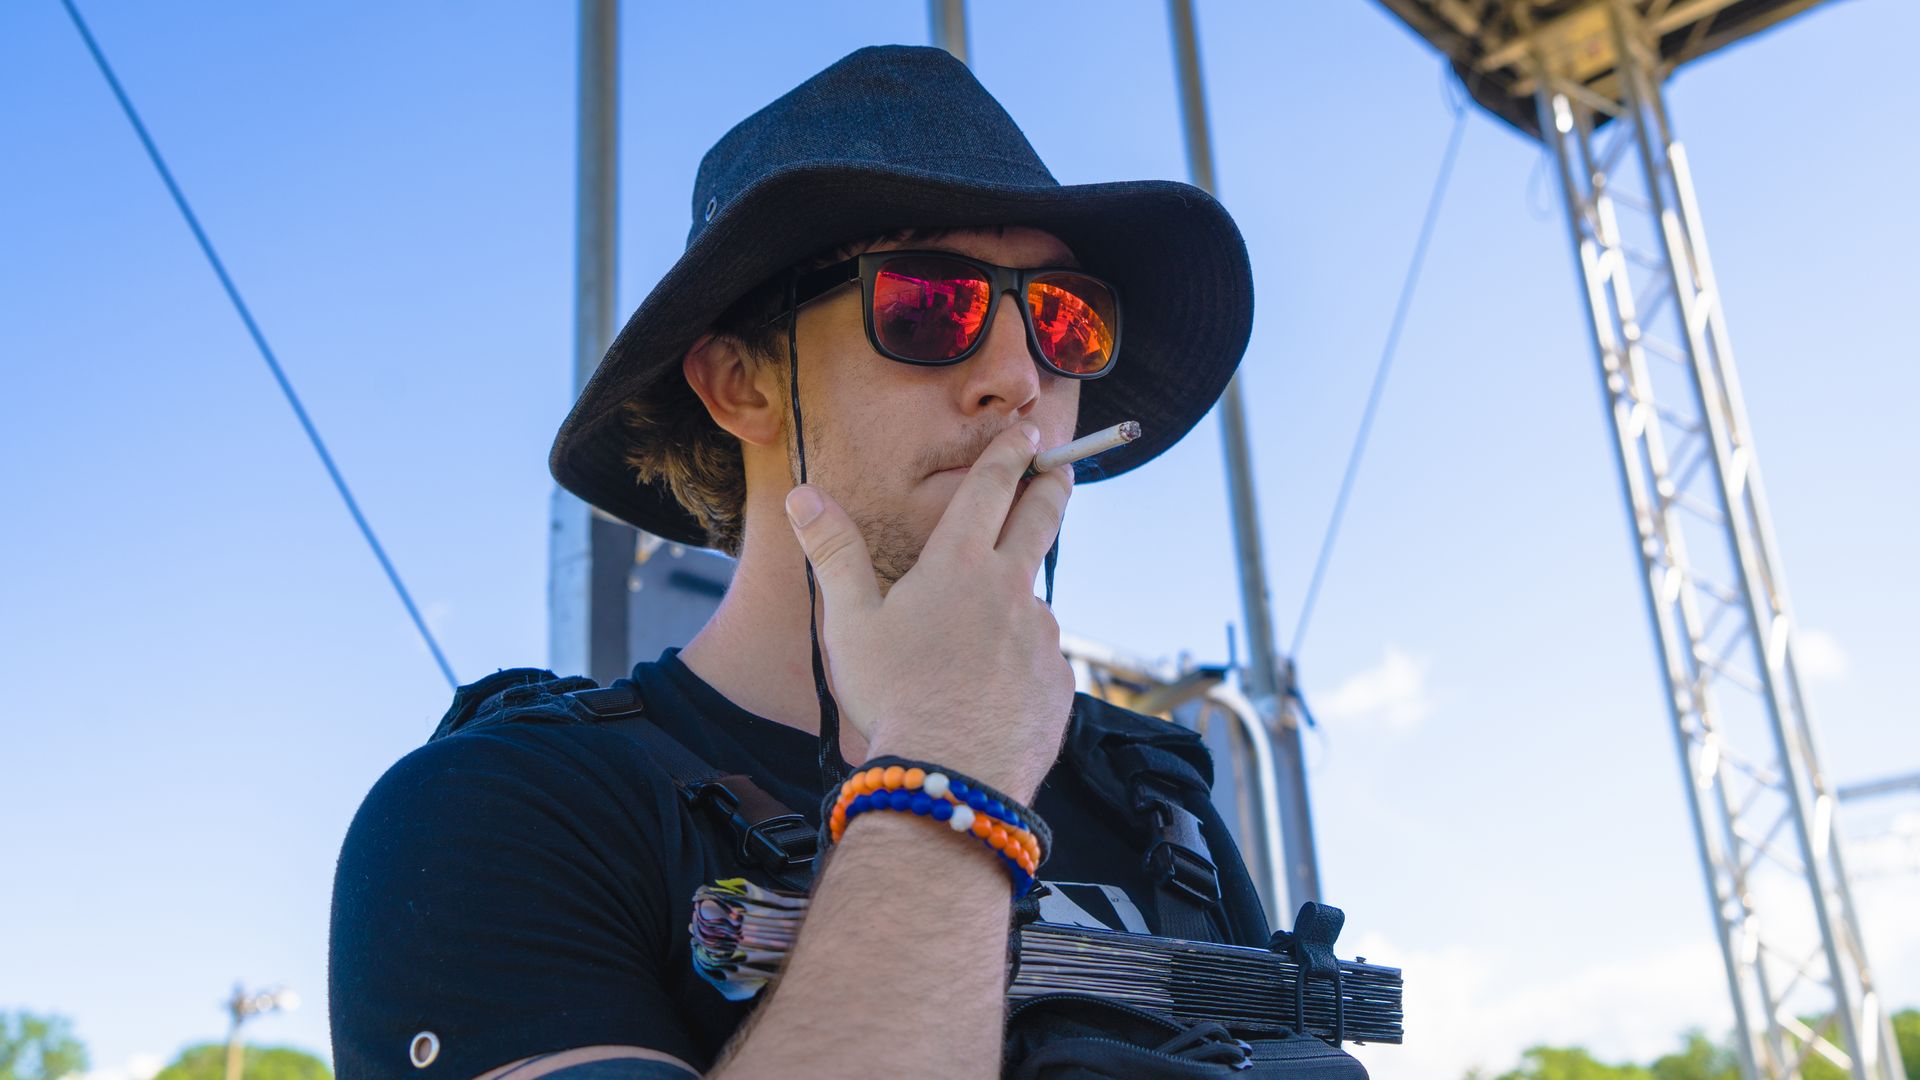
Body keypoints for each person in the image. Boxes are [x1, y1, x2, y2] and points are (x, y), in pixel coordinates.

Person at [329, 44, 1263, 1079]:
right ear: (739, 383)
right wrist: (949, 769)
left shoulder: (1155, 805)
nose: (1017, 378)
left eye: (1063, 320)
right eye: (928, 303)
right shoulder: (506, 813)